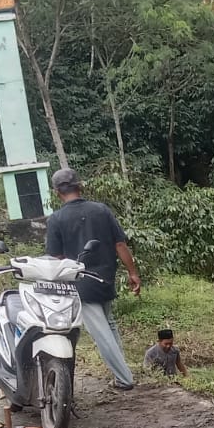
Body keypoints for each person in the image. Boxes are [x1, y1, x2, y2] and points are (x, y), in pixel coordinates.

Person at [44, 167, 141, 391]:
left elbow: (56, 258)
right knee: (109, 324)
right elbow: (120, 245)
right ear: (80, 186)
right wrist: (132, 272)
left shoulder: (56, 219)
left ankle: (124, 379)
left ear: (57, 192)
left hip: (81, 284)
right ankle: (121, 373)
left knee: (101, 333)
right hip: (105, 278)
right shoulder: (102, 210)